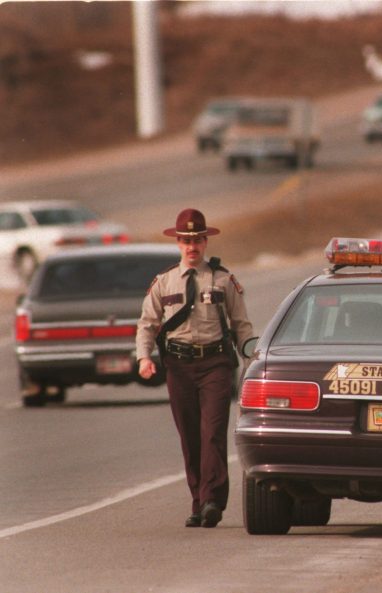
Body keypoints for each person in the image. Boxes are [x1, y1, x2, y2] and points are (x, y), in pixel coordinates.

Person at [136, 208, 254, 528]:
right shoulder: (164, 282)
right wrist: (144, 357)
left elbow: (241, 326)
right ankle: (198, 501)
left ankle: (213, 499)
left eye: (198, 240)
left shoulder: (222, 279)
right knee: (190, 436)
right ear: (178, 243)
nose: (192, 247)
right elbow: (147, 324)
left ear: (206, 242)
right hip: (179, 366)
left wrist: (251, 364)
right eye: (186, 241)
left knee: (212, 431)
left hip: (215, 364)